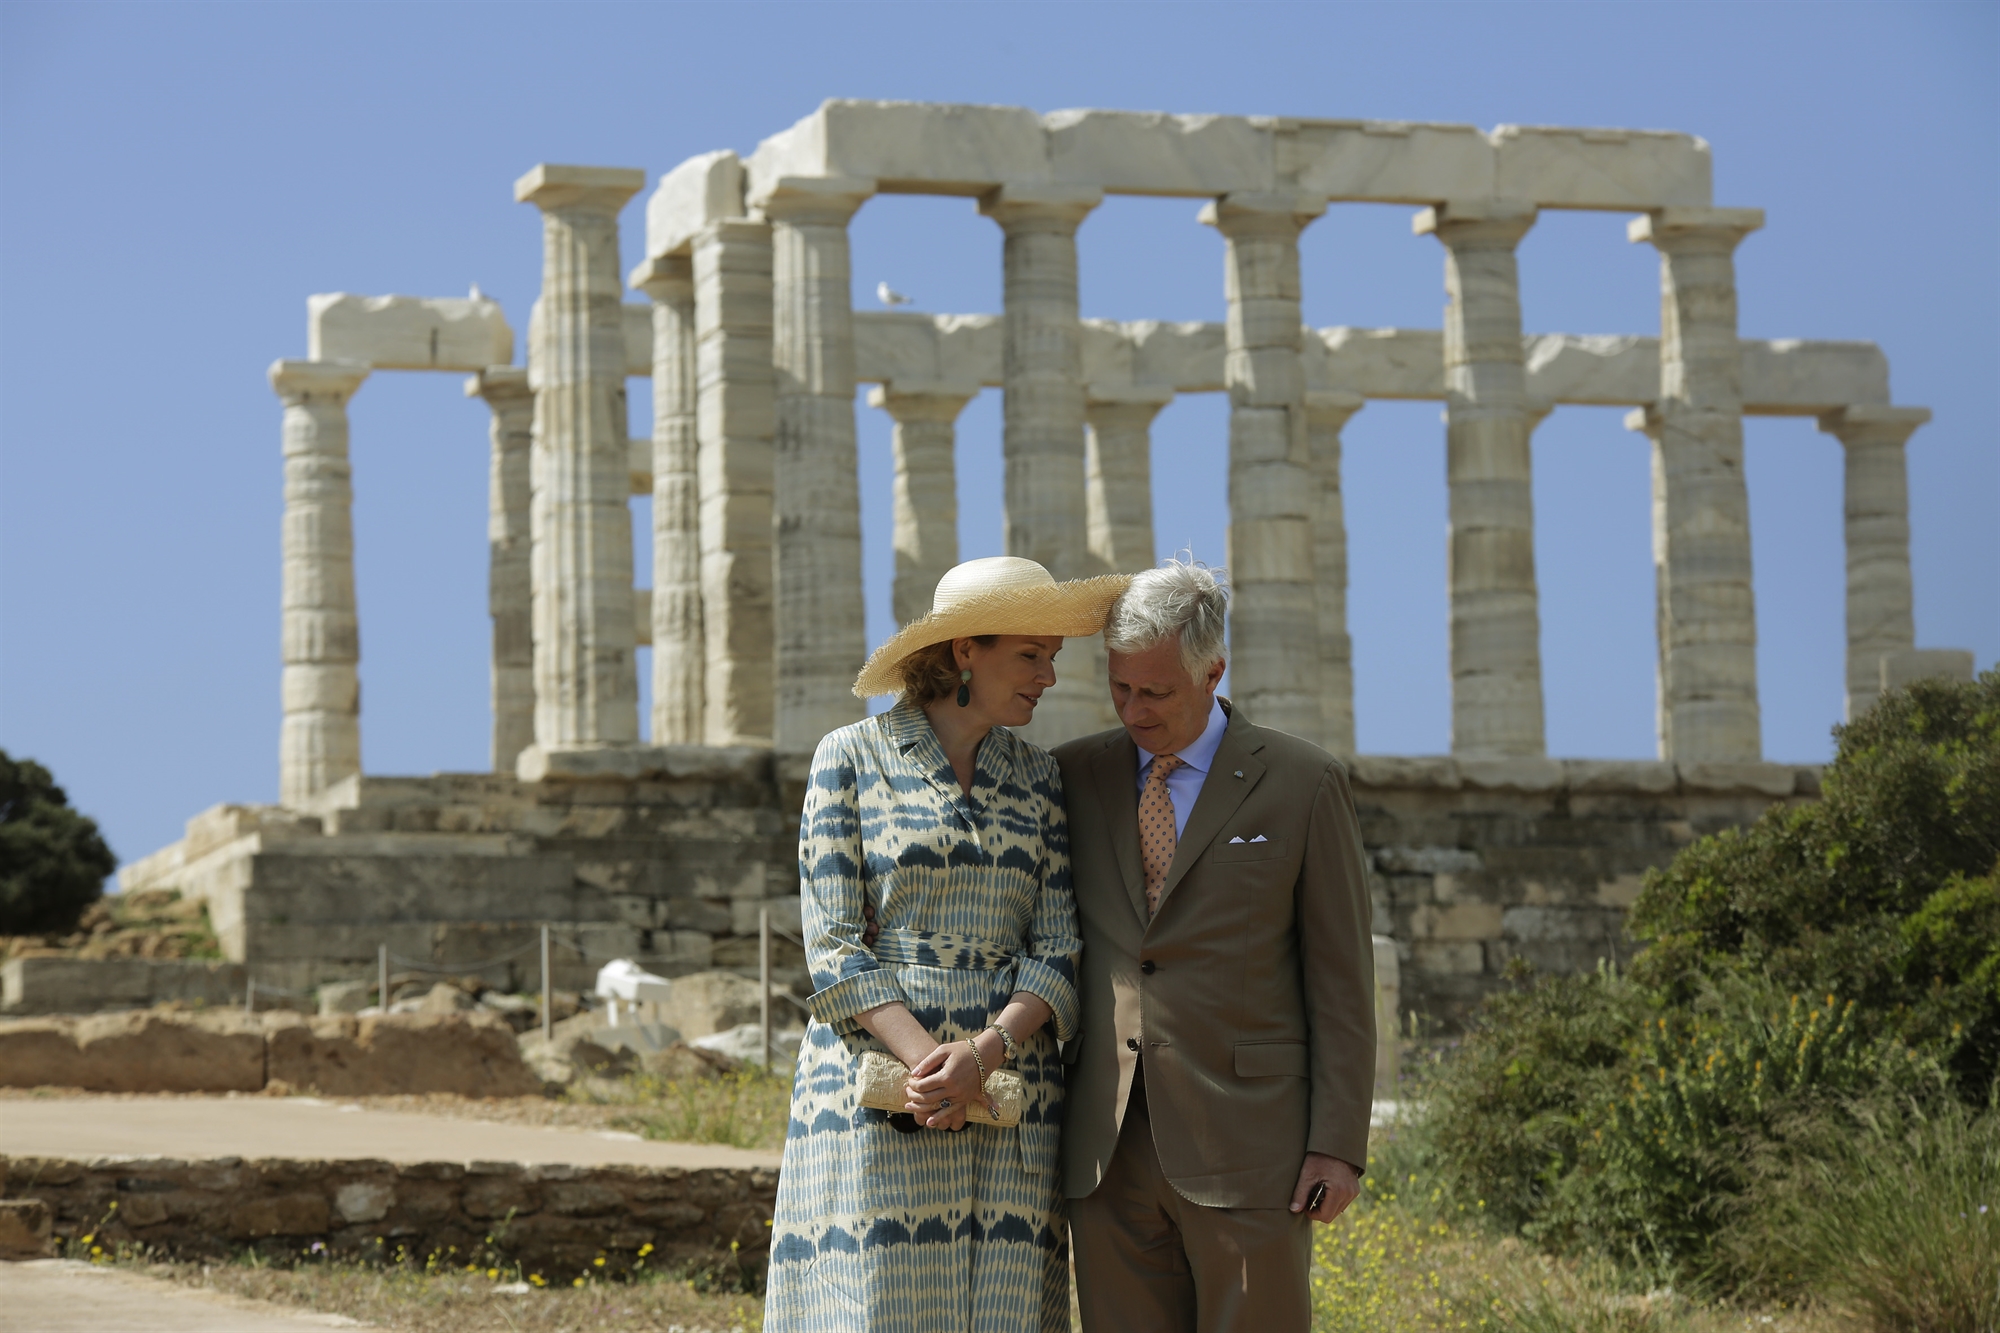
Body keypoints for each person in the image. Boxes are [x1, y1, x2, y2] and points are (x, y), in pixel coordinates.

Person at [763, 556, 1129, 1333]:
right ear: (966, 650)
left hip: (1009, 1088)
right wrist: (934, 1068)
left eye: (1052, 657)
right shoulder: (848, 756)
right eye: (1030, 655)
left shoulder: (1039, 777)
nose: (1049, 677)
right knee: (874, 1303)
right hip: (881, 1082)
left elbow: (1059, 945)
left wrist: (984, 1055)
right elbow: (833, 942)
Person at [1050, 558, 1377, 1333]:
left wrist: (1337, 1144)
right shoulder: (1070, 776)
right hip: (1107, 1149)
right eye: (1120, 687)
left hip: (1252, 1147)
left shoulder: (1303, 782)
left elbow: (1341, 980)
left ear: (1213, 671)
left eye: (1156, 691)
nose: (1134, 709)